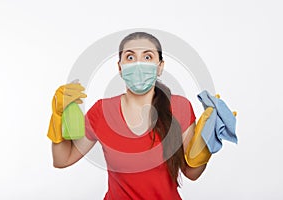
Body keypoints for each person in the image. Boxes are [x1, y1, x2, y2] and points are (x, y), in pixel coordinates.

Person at [47, 32, 207, 199]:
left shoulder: (179, 107)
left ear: (160, 67)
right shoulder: (102, 111)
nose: (138, 64)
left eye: (147, 57)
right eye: (130, 58)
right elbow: (62, 160)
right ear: (120, 67)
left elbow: (192, 173)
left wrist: (206, 144)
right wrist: (58, 116)